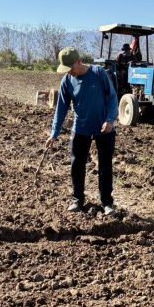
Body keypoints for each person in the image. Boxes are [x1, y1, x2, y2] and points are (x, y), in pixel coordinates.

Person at [45, 47, 119, 215]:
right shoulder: (67, 80)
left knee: (105, 166)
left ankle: (107, 202)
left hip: (104, 128)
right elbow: (61, 108)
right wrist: (54, 133)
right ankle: (77, 199)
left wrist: (110, 120)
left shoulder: (98, 73)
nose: (69, 72)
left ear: (79, 62)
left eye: (71, 68)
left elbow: (113, 97)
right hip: (81, 128)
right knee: (77, 165)